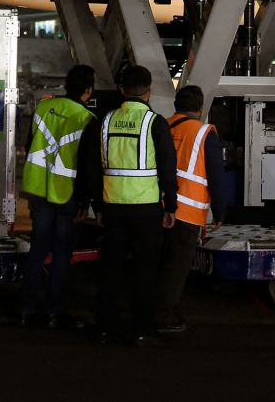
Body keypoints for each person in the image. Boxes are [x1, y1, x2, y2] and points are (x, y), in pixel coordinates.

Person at [82, 64, 178, 345]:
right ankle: (141, 329)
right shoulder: (155, 122)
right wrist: (170, 205)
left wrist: (97, 204)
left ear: (122, 90)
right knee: (145, 270)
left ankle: (104, 327)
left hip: (112, 207)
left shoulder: (104, 121)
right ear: (148, 92)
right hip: (146, 209)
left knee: (110, 267)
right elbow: (167, 167)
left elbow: (91, 167)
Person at [18, 65, 100, 330]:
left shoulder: (43, 109)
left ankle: (26, 310)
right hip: (66, 194)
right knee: (62, 254)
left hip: (39, 190)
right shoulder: (86, 118)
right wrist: (86, 201)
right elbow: (88, 165)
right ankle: (55, 312)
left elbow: (30, 146)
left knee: (38, 250)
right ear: (88, 90)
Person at [155, 85, 226, 334]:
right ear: (200, 107)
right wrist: (219, 211)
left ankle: (159, 311)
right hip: (187, 213)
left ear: (176, 105)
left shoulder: (161, 125)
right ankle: (163, 317)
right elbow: (216, 175)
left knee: (157, 264)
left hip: (154, 206)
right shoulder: (204, 133)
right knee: (175, 269)